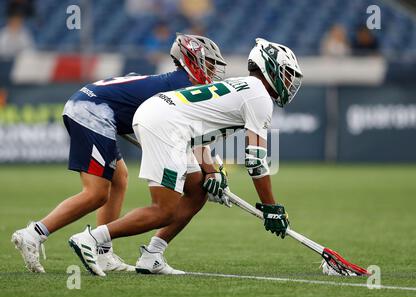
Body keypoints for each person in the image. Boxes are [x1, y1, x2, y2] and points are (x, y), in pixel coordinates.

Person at [68, 38, 303, 276]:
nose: (290, 82)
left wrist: (214, 172)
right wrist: (271, 207)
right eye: (287, 74)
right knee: (164, 210)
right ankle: (91, 238)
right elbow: (256, 161)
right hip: (165, 125)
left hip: (166, 119)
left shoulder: (243, 86)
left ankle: (152, 255)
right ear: (270, 68)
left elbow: (200, 129)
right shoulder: (259, 97)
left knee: (198, 190)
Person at [11, 33, 227, 274]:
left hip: (96, 109)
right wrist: (211, 169)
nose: (213, 69)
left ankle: (102, 253)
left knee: (119, 178)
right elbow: (194, 137)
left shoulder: (176, 82)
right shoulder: (184, 86)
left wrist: (211, 168)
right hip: (92, 112)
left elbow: (189, 135)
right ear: (192, 60)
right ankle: (33, 234)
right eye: (209, 62)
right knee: (96, 194)